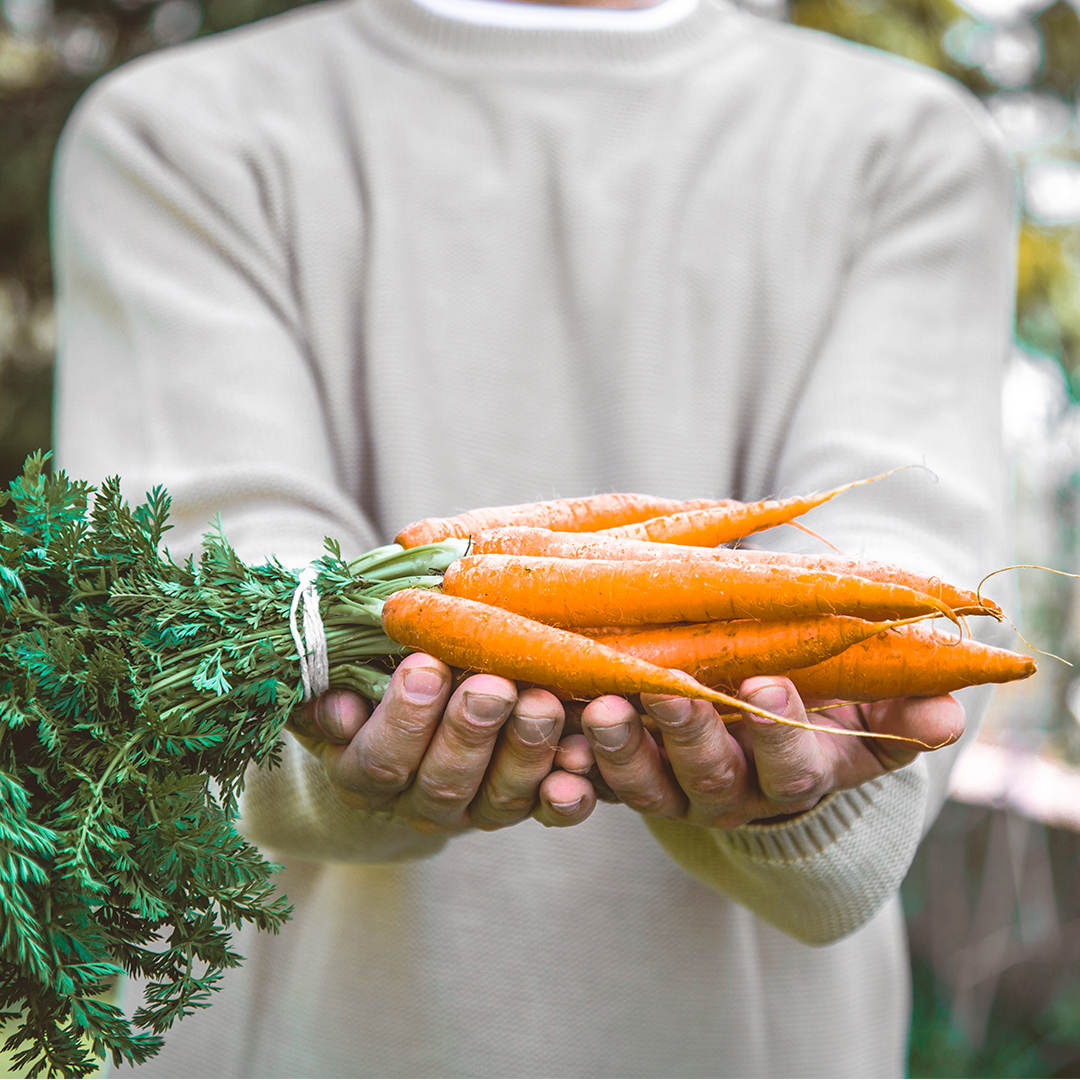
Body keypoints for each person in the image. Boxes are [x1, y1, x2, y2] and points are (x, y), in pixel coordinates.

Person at [50, 0, 1016, 1072]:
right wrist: (329, 725)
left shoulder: (906, 143)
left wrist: (818, 750)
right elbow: (210, 591)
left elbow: (899, 580)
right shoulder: (176, 130)